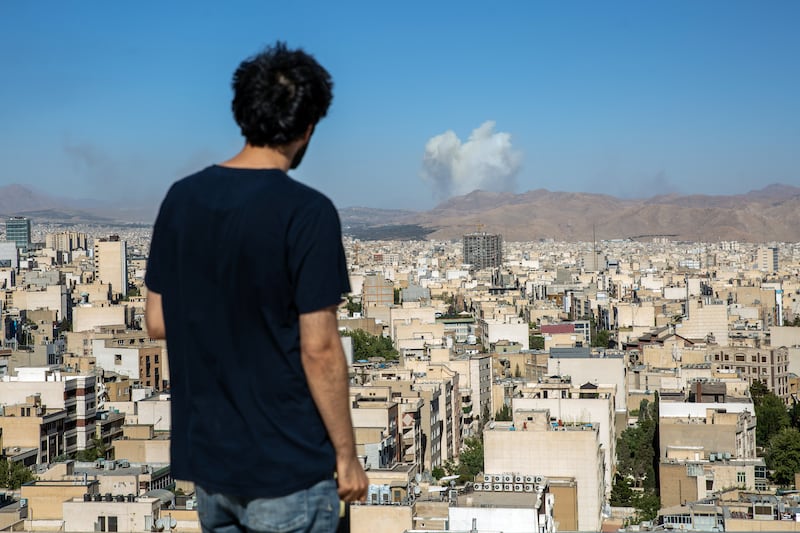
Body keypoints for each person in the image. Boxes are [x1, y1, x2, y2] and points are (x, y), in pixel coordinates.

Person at [144, 42, 368, 533]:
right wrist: (347, 456)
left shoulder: (181, 199)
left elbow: (157, 321)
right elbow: (320, 348)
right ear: (308, 128)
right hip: (287, 466)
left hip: (211, 465)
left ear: (242, 114)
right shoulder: (307, 212)